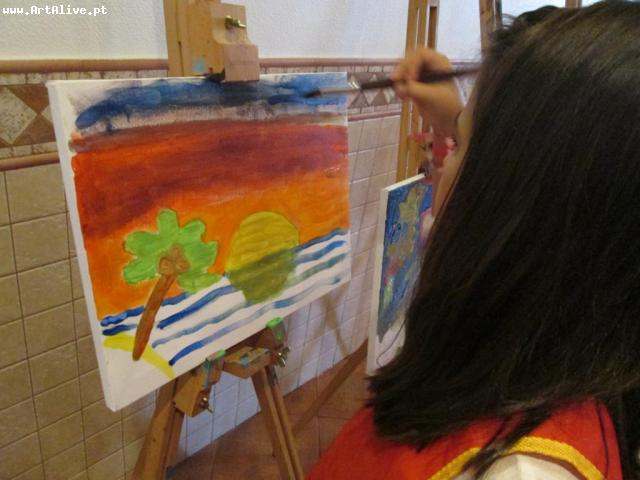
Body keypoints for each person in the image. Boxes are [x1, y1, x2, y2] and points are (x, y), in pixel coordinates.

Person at [308, 2, 640, 479]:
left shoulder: (523, 470)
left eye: (460, 145)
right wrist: (458, 118)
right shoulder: (546, 350)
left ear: (517, 210)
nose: (440, 162)